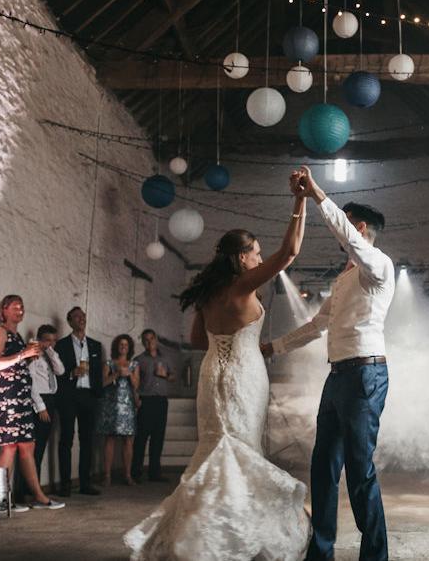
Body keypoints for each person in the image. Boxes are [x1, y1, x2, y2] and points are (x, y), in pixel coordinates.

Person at [125, 168, 310, 560]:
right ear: (242, 258)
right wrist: (301, 199)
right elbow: (290, 252)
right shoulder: (242, 285)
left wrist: (228, 335)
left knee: (215, 451)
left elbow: (196, 341)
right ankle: (233, 538)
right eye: (256, 253)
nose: (260, 259)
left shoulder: (208, 292)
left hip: (212, 374)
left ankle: (204, 534)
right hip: (243, 374)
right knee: (242, 451)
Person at [265, 166, 395, 561]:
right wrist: (273, 348)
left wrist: (316, 192)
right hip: (337, 377)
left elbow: (349, 238)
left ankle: (375, 556)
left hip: (365, 376)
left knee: (359, 472)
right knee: (323, 466)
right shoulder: (343, 281)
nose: (346, 237)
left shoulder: (378, 267)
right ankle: (320, 551)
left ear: (359, 227)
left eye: (351, 227)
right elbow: (316, 325)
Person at [0, 295, 65, 511]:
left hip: (23, 397)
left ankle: (39, 497)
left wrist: (26, 358)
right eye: (15, 307)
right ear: (4, 310)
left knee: (28, 446)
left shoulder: (18, 335)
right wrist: (22, 355)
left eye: (22, 307)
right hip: (8, 396)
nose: (20, 311)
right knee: (9, 448)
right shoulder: (0, 332)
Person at [55, 306, 104, 496]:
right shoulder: (62, 345)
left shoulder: (95, 345)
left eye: (83, 316)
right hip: (69, 396)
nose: (81, 319)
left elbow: (98, 373)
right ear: (69, 321)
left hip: (88, 396)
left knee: (87, 441)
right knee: (66, 439)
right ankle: (65, 485)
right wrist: (71, 373)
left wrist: (98, 395)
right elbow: (57, 373)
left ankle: (85, 483)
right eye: (76, 317)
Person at [14, 324, 64, 501]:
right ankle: (23, 491)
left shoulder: (49, 355)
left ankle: (33, 490)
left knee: (40, 447)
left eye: (53, 341)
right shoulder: (33, 354)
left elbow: (61, 370)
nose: (50, 344)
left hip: (50, 399)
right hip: (38, 401)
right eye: (47, 341)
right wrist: (40, 407)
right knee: (31, 449)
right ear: (40, 339)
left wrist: (50, 352)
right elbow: (31, 382)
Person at [132, 329, 178, 483]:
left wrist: (165, 375)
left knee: (158, 438)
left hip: (161, 401)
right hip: (146, 401)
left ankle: (154, 473)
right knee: (141, 438)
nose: (149, 342)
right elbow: (134, 383)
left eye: (151, 338)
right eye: (145, 340)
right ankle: (135, 472)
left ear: (156, 339)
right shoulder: (138, 360)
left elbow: (174, 377)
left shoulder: (166, 358)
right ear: (143, 342)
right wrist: (136, 398)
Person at [98, 334, 140, 487]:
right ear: (116, 346)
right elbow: (102, 383)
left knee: (128, 440)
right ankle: (107, 475)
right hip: (111, 405)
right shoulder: (109, 363)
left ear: (129, 348)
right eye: (121, 344)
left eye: (126, 345)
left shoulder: (134, 364)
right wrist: (116, 374)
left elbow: (136, 386)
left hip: (127, 405)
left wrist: (129, 375)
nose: (123, 347)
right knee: (110, 439)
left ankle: (127, 475)